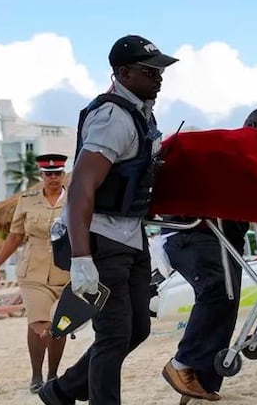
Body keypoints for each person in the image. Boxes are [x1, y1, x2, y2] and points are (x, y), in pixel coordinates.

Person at [39, 34, 178, 405]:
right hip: (101, 239)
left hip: (130, 237)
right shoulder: (113, 116)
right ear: (124, 73)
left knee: (137, 329)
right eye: (150, 71)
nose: (159, 77)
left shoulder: (142, 113)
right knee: (113, 335)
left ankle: (61, 391)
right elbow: (82, 185)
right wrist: (82, 259)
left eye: (161, 70)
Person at [162, 108, 257, 402]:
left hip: (223, 240)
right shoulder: (226, 150)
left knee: (228, 301)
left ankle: (203, 381)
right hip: (194, 235)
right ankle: (180, 364)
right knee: (217, 291)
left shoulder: (249, 160)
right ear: (249, 127)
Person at [0, 154, 69, 393]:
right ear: (41, 176)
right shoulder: (27, 200)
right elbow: (14, 236)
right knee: (39, 323)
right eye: (48, 174)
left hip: (67, 271)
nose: (53, 178)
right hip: (33, 270)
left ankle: (53, 374)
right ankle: (36, 375)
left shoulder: (76, 199)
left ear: (63, 174)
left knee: (60, 324)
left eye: (57, 173)